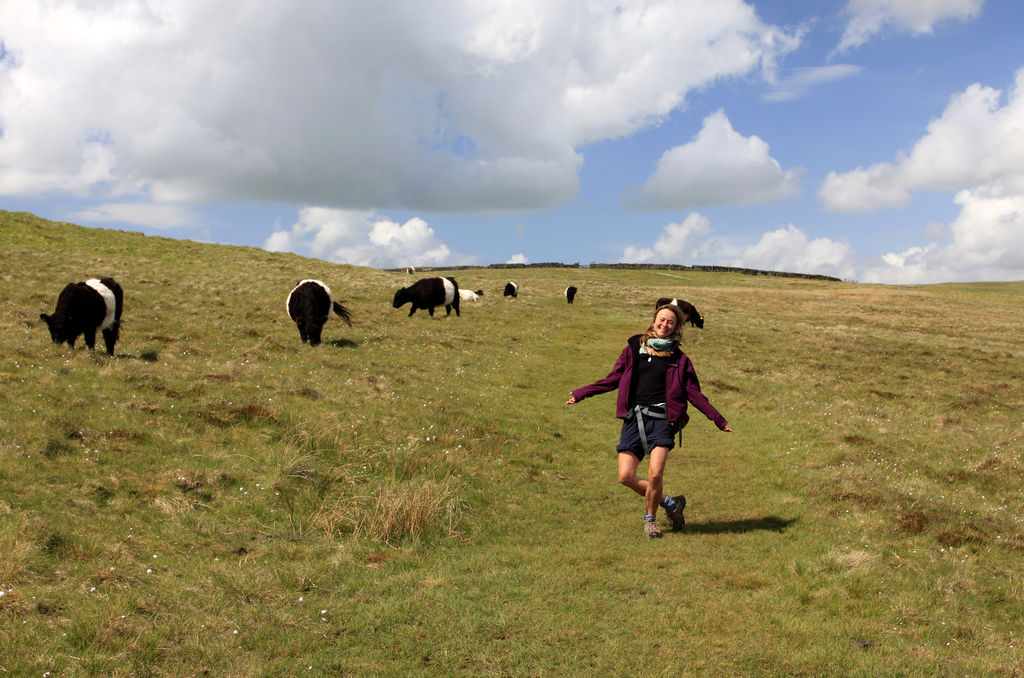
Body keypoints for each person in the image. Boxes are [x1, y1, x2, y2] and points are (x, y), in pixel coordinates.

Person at [566, 303, 732, 538]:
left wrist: (719, 420)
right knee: (625, 477)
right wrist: (583, 393)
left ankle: (650, 520)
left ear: (676, 328)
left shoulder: (680, 359)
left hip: (663, 421)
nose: (665, 325)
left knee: (655, 475)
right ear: (654, 320)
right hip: (634, 419)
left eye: (670, 322)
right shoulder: (634, 347)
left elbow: (695, 394)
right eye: (662, 320)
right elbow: (614, 378)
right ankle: (671, 503)